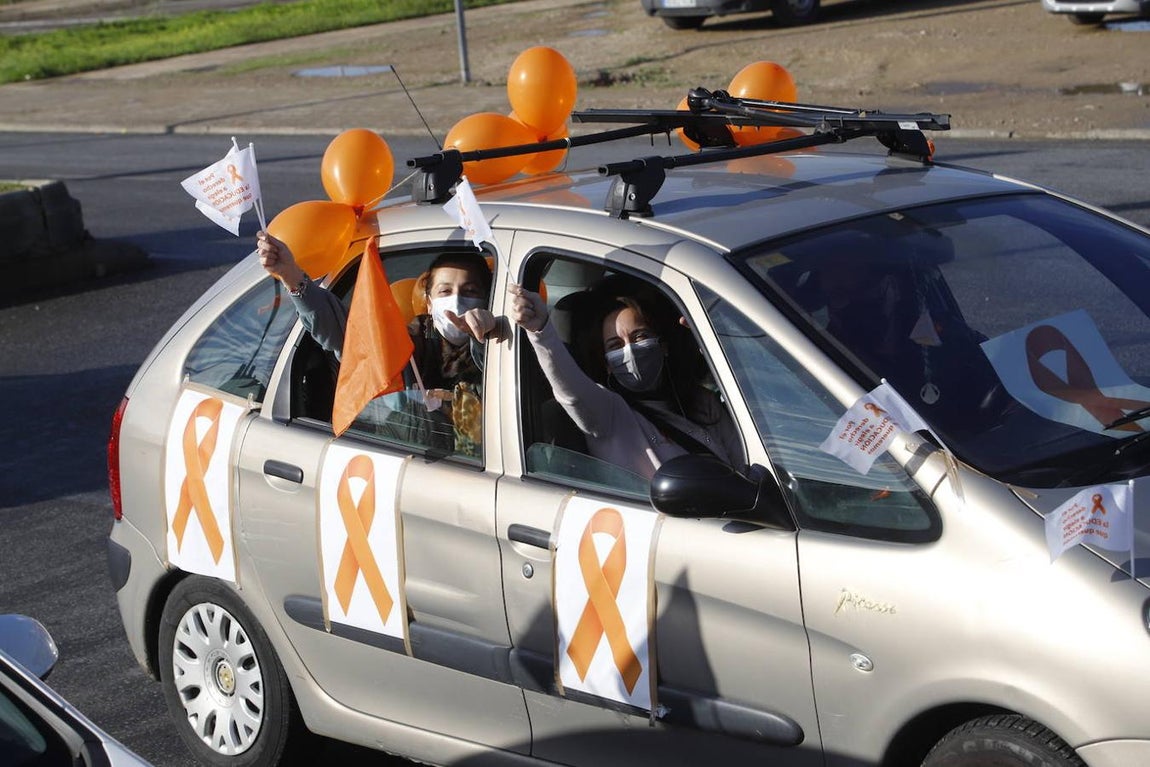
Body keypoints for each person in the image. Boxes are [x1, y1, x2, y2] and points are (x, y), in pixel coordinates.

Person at [256, 231, 498, 453]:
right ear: (429, 301)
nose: (457, 302)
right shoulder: (406, 345)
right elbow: (346, 332)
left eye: (470, 291)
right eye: (445, 291)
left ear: (487, 300)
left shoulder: (503, 347)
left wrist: (487, 338)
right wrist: (291, 275)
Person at [508, 276, 741, 481]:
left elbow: (746, 464)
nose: (630, 351)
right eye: (616, 345)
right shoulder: (609, 413)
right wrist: (541, 331)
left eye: (640, 336)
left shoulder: (703, 402)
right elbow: (571, 394)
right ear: (607, 364)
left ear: (664, 345)